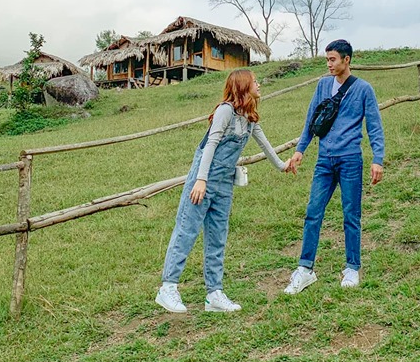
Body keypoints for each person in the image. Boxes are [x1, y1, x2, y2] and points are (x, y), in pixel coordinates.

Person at [156, 69, 292, 314]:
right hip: (203, 180)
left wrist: (283, 166)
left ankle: (214, 295)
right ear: (243, 86)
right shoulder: (225, 111)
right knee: (187, 230)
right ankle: (168, 287)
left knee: (218, 237)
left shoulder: (249, 117)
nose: (259, 84)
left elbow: (265, 144)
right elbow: (211, 144)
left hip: (224, 184)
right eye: (254, 81)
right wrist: (200, 180)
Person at [283, 39, 384, 293]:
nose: (328, 64)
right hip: (324, 160)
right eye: (327, 59)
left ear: (346, 60)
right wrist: (300, 150)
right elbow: (312, 120)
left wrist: (378, 159)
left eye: (333, 59)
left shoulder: (364, 89)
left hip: (350, 160)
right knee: (313, 212)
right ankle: (305, 269)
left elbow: (374, 126)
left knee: (351, 215)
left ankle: (352, 268)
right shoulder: (322, 85)